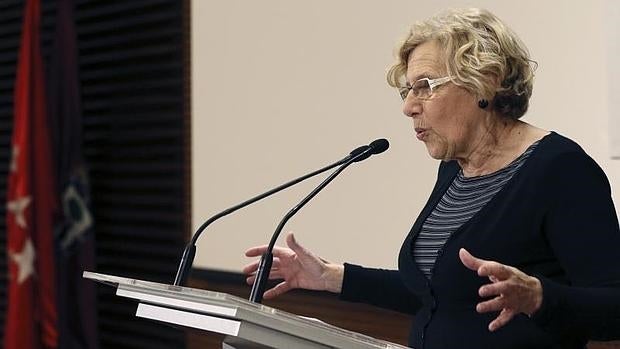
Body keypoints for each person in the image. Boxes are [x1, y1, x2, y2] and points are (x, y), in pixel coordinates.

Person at [243, 8, 620, 349]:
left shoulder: (562, 170)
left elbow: (614, 308)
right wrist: (331, 277)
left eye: (425, 85)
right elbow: (443, 294)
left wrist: (539, 297)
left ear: (484, 81)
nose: (409, 106)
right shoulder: (455, 169)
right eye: (408, 90)